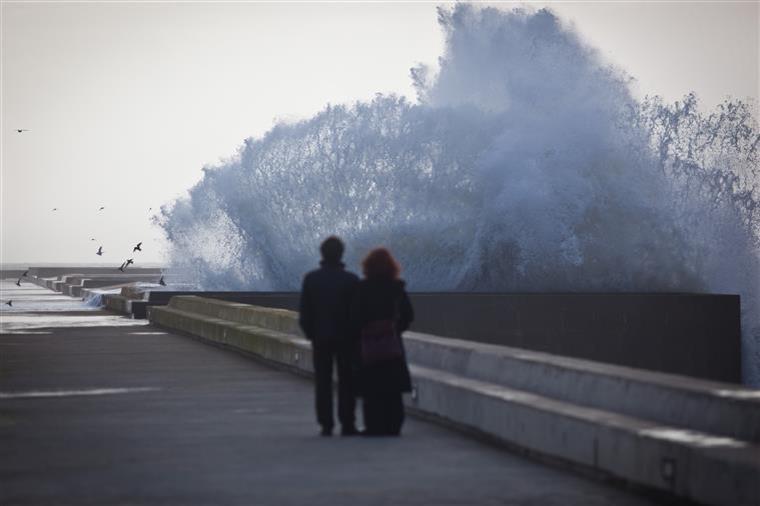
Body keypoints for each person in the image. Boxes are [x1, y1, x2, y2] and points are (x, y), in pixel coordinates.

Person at [299, 236, 360, 437]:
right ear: (341, 254)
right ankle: (348, 424)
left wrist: (311, 334)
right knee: (347, 381)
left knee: (323, 382)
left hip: (321, 338)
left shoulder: (311, 279)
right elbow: (357, 313)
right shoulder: (351, 280)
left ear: (322, 254)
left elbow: (305, 313)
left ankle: (326, 424)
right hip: (346, 339)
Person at [352, 247, 414, 436]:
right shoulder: (397, 288)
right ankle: (394, 426)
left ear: (367, 266)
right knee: (393, 388)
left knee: (372, 387)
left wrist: (365, 331)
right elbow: (408, 315)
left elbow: (354, 316)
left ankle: (373, 427)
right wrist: (394, 330)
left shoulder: (362, 288)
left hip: (369, 344)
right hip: (392, 344)